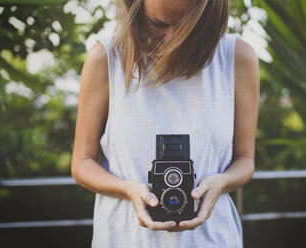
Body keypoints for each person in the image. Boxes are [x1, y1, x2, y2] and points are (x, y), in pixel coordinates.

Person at [71, 0, 259, 247]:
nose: (173, 39)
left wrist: (221, 183)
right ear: (134, 10)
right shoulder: (106, 58)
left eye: (188, 27)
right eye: (157, 24)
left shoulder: (237, 57)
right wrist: (127, 189)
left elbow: (245, 159)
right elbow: (82, 163)